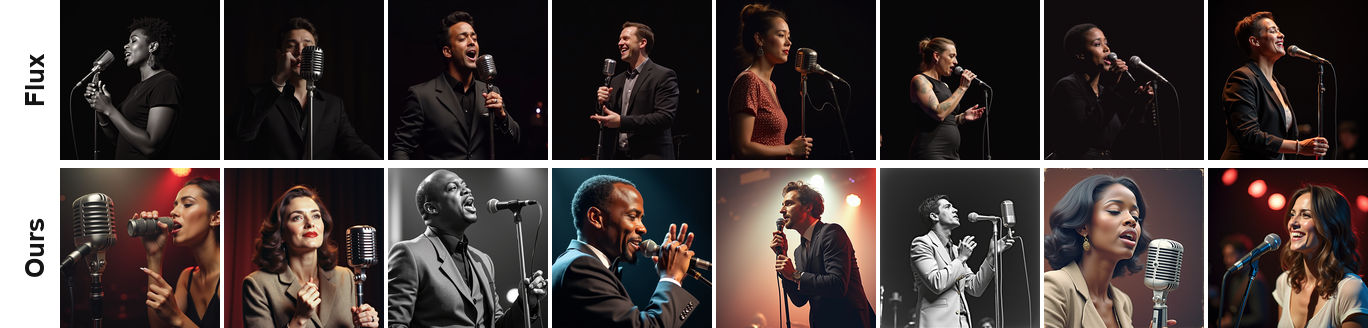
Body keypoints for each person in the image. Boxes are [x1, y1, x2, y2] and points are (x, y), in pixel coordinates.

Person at [387, 169, 545, 327]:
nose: (467, 190)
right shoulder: (410, 253)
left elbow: (496, 324)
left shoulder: (483, 261)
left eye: (465, 185)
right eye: (452, 188)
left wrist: (525, 303)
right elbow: (395, 324)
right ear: (432, 208)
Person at [551, 175, 700, 327]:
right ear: (596, 218)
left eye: (641, 218)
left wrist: (675, 279)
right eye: (632, 216)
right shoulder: (580, 267)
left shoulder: (571, 262)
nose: (643, 228)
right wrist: (670, 278)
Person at [229, 17, 380, 160]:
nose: (300, 51)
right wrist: (279, 80)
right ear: (279, 55)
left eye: (307, 46)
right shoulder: (256, 94)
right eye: (291, 45)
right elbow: (240, 133)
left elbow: (354, 148)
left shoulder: (334, 105)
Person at [1042, 175, 1176, 328]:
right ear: (1082, 226)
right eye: (1114, 211)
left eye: (1135, 216)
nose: (1131, 220)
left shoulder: (1123, 302)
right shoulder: (1054, 288)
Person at [242, 186, 379, 327]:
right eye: (297, 218)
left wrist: (367, 324)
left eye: (315, 216)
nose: (310, 223)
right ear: (281, 233)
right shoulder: (257, 285)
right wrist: (299, 319)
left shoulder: (346, 278)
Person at [391, 12, 520, 160]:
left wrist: (501, 116)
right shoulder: (422, 95)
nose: (471, 42)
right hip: (446, 182)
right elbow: (402, 148)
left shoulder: (491, 92)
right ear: (447, 51)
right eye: (462, 38)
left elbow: (514, 141)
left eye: (474, 38)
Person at [1220, 12, 1329, 160]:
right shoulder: (1242, 78)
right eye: (1273, 31)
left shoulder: (1279, 87)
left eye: (1279, 30)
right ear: (1255, 41)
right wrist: (1299, 147)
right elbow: (1249, 134)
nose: (1281, 34)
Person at [771, 180, 874, 328]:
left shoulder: (831, 232)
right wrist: (784, 259)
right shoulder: (798, 252)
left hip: (848, 322)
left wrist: (794, 274)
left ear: (808, 206)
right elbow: (800, 301)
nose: (782, 210)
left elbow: (838, 285)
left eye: (788, 204)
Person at [1046, 24, 1154, 160]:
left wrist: (1140, 107)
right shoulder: (1067, 86)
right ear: (1080, 55)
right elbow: (1085, 131)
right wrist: (1113, 86)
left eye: (1106, 43)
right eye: (1097, 44)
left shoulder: (1103, 91)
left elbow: (1122, 144)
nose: (1106, 49)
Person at [84, 17, 183, 160]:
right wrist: (101, 110)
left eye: (133, 40)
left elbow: (151, 146)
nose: (126, 46)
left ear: (152, 46)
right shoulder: (136, 88)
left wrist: (109, 109)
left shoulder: (167, 83)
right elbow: (119, 140)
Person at [909, 195, 1014, 327]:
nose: (955, 210)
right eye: (948, 207)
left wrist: (992, 255)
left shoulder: (955, 250)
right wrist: (961, 258)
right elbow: (936, 282)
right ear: (934, 216)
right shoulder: (922, 243)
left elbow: (975, 288)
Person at [1273, 184, 1368, 327]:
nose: (1292, 222)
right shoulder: (1285, 282)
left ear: (1331, 225)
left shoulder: (1350, 289)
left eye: (1305, 215)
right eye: (1292, 214)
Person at [727, 3, 812, 159]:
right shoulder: (749, 81)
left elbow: (772, 144)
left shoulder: (771, 85)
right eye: (781, 35)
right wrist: (790, 149)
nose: (788, 42)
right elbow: (742, 148)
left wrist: (789, 154)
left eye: (788, 37)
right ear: (759, 39)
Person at [135, 178, 221, 328]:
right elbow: (159, 327)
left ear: (215, 218)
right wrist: (154, 255)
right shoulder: (187, 277)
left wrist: (177, 317)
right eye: (175, 205)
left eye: (187, 204)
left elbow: (175, 318)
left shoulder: (233, 278)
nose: (173, 212)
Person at [590, 22, 679, 160]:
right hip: (618, 157)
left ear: (642, 43)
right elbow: (610, 116)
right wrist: (602, 102)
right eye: (619, 39)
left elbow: (664, 118)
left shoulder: (663, 75)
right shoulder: (616, 80)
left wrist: (621, 121)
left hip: (650, 158)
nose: (620, 43)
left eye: (625, 38)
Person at [909, 37, 985, 160]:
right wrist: (962, 88)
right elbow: (939, 113)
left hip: (952, 155)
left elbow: (942, 121)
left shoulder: (945, 86)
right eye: (951, 56)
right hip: (931, 152)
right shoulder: (920, 80)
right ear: (936, 56)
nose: (956, 62)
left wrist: (962, 117)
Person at [1214, 234, 1269, 328]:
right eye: (1225, 256)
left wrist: (1231, 322)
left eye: (1230, 255)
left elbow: (1260, 318)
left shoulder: (1256, 281)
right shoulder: (1236, 277)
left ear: (1244, 254)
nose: (1226, 260)